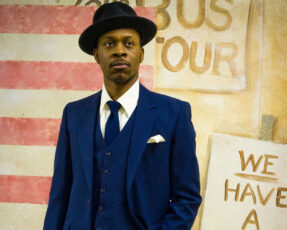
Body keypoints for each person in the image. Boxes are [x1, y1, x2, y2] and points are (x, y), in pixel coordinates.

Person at [43, 2, 201, 230]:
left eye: (129, 43)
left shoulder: (174, 113)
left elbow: (187, 198)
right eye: (109, 44)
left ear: (141, 53)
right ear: (97, 55)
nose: (119, 50)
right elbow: (60, 193)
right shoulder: (74, 114)